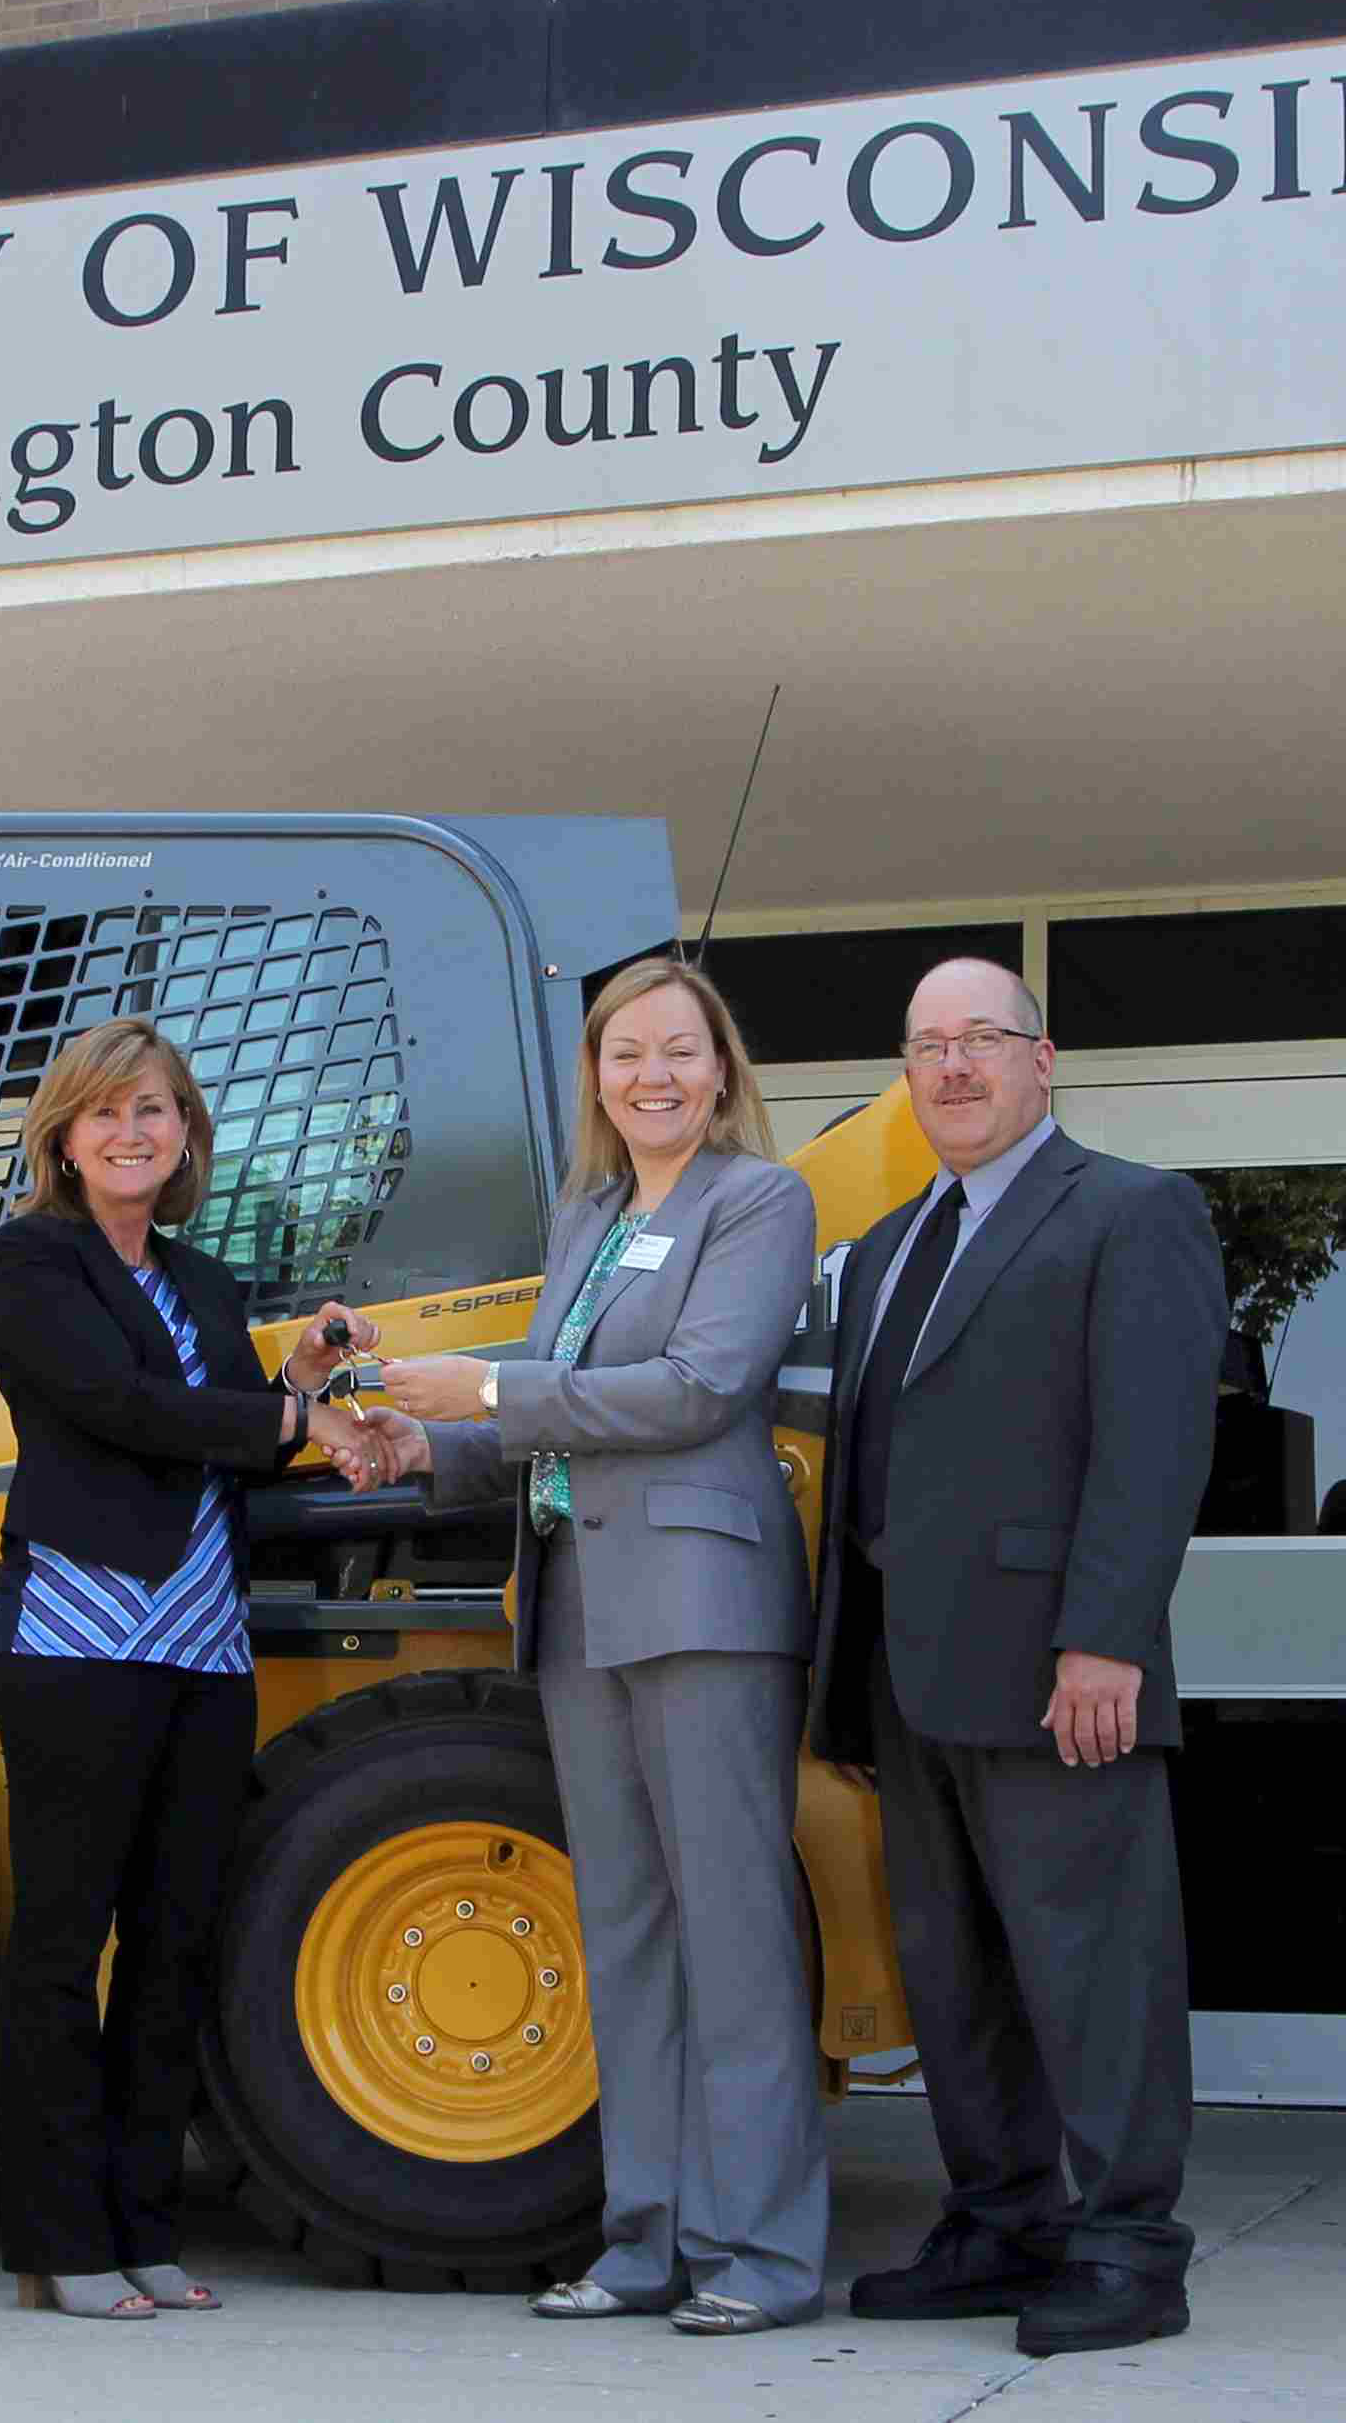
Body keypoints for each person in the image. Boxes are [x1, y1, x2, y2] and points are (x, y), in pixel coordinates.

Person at [362, 955, 826, 2339]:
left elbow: (698, 1389)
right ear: (597, 1078)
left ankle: (761, 2258)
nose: (654, 1077)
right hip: (577, 1604)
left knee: (735, 1936)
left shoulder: (761, 1201)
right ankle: (644, 2243)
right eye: (627, 1055)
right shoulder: (592, 1211)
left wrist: (495, 1385)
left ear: (724, 1070)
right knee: (624, 1933)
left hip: (703, 1606)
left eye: (680, 1052)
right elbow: (557, 1420)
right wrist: (427, 1445)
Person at [807, 956, 1225, 2358]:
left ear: (1046, 1060)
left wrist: (1105, 1637)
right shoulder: (879, 1251)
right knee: (957, 1975)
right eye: (929, 1046)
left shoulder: (1129, 1211)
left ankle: (1126, 2246)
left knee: (1092, 1970)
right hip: (909, 1685)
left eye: (984, 1039)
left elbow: (1153, 1445)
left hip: (1063, 1677)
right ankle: (1001, 2223)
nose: (955, 1067)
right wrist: (847, 1674)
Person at [0, 1017, 387, 2320]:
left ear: (187, 1134)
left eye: (152, 1110)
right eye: (103, 1112)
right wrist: (288, 1413)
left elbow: (239, 1441)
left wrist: (302, 1378)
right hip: (77, 1642)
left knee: (171, 1945)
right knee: (61, 1948)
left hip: (203, 1649)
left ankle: (144, 2230)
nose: (129, 1131)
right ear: (64, 1136)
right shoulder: (31, 1259)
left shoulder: (206, 1286)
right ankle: (61, 2246)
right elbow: (121, 1406)